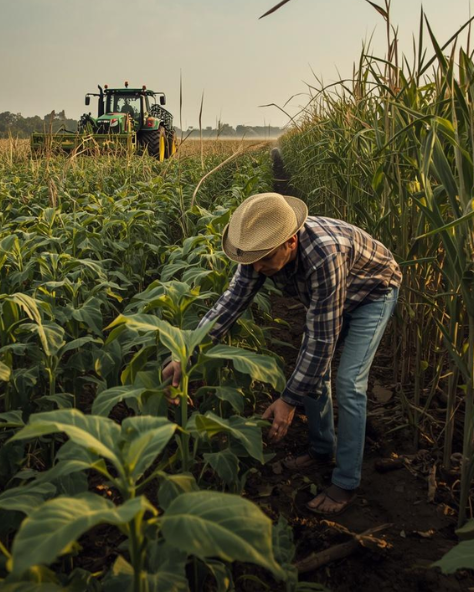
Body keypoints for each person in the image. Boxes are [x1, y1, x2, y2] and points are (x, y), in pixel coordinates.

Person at [162, 192, 401, 515]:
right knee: (313, 378)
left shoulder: (324, 255)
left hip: (372, 293)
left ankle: (345, 483)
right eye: (252, 260)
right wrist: (184, 352)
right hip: (330, 300)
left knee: (348, 382)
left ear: (290, 242)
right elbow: (230, 304)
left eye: (264, 259)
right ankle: (320, 450)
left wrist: (288, 402)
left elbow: (321, 339)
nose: (256, 268)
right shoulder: (258, 254)